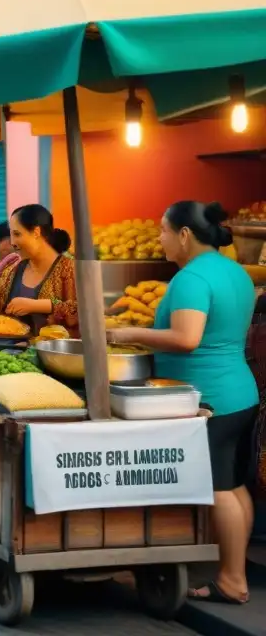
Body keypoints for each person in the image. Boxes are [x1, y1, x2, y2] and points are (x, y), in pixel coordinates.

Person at [107, 201, 258, 606]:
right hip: (240, 392)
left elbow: (187, 337)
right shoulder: (235, 271)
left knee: (221, 489)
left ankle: (231, 580)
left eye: (163, 231)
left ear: (185, 235)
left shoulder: (191, 278)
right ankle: (234, 568)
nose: (160, 239)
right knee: (236, 487)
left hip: (210, 398)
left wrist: (126, 333)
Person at [0, 205, 78, 336]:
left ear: (36, 232)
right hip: (11, 352)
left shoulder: (70, 270)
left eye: (17, 234)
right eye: (11, 234)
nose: (12, 242)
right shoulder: (10, 268)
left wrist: (39, 305)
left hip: (54, 354)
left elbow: (85, 312)